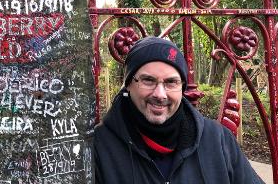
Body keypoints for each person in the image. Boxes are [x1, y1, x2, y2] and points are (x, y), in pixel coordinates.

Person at [94, 36, 264, 184]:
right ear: (129, 84)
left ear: (182, 87)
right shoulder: (99, 147)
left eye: (171, 82)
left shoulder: (217, 140)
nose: (160, 94)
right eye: (148, 80)